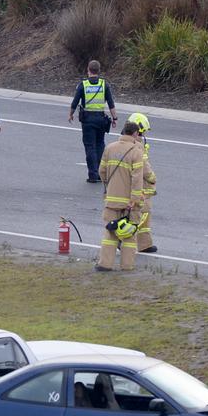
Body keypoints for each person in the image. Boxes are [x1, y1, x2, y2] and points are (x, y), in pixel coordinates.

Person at [96, 121, 145, 272]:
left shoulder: (109, 148)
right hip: (128, 202)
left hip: (111, 199)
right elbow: (137, 179)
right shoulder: (136, 151)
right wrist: (134, 200)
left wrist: (109, 188)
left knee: (110, 233)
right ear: (135, 134)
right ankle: (127, 266)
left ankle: (105, 264)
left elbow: (101, 171)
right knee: (129, 235)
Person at [69, 60, 117, 183]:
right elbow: (111, 103)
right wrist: (114, 118)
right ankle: (101, 174)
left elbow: (75, 102)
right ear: (99, 70)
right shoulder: (104, 84)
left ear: (88, 70)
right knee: (100, 144)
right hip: (101, 119)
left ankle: (93, 175)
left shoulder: (83, 85)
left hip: (88, 120)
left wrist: (71, 114)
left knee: (90, 147)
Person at [127, 112, 159, 254]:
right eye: (143, 131)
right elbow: (144, 166)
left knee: (144, 216)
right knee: (140, 214)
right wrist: (152, 177)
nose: (144, 134)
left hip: (136, 184)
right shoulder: (137, 145)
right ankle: (124, 241)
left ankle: (145, 244)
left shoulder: (130, 142)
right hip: (141, 186)